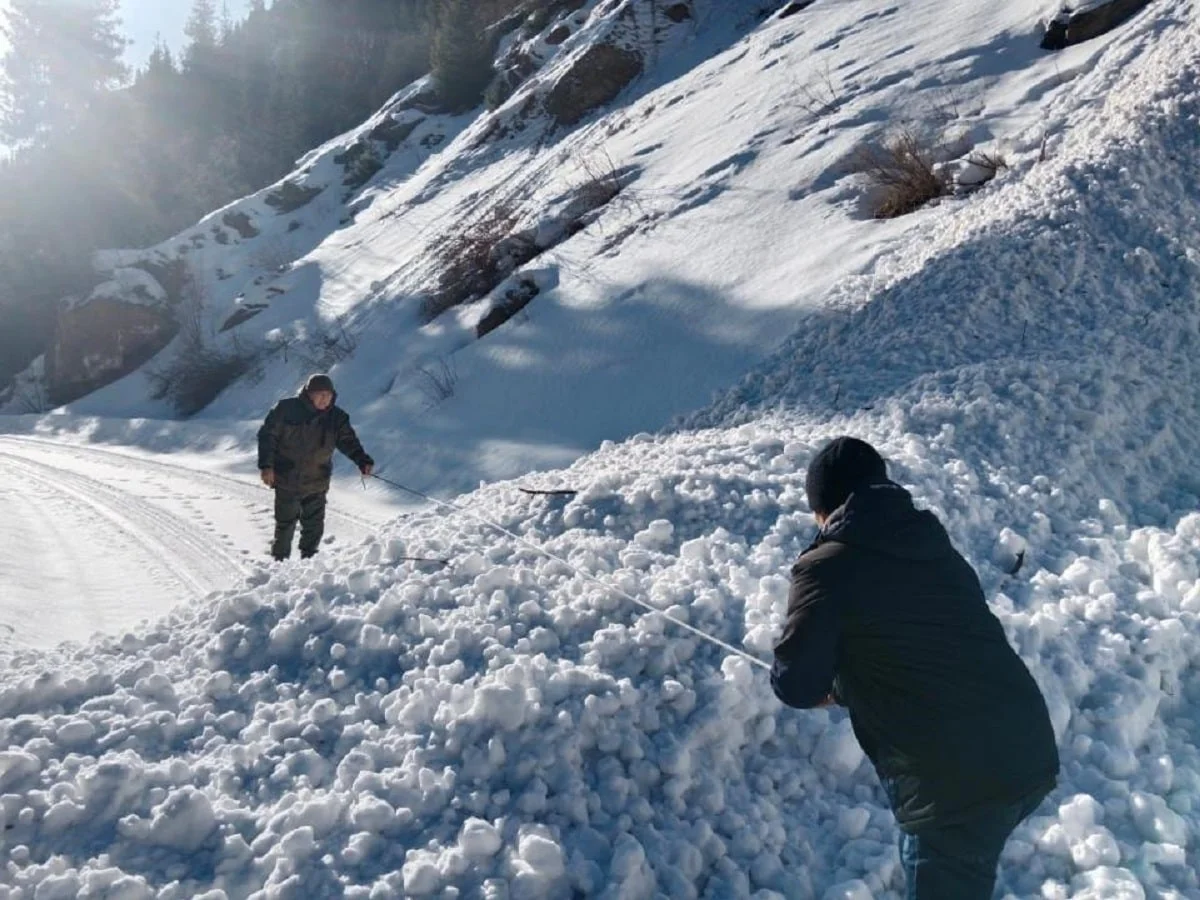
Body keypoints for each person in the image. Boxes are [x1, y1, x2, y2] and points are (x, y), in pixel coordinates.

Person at [771, 436, 1059, 900]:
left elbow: (798, 684)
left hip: (956, 787)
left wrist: (832, 684)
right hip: (1026, 748)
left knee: (944, 861)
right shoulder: (929, 541)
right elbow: (923, 644)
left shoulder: (825, 566)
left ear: (822, 508)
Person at [257, 373, 374, 561]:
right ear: (309, 393)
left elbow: (348, 442)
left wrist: (362, 460)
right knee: (285, 524)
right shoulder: (286, 409)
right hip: (287, 478)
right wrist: (266, 466)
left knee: (314, 525)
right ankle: (279, 562)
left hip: (317, 479)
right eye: (320, 394)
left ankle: (309, 561)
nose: (324, 399)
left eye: (328, 395)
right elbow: (267, 437)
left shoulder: (337, 417)